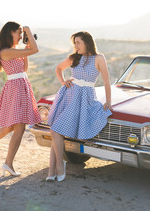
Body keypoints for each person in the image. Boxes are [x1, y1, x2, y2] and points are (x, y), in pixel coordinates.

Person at [0, 21, 41, 176]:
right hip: (16, 88)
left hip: (21, 85)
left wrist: (25, 51)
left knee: (12, 127)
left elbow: (24, 69)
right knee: (19, 127)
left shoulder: (13, 50)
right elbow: (36, 49)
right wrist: (28, 30)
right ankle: (8, 164)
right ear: (10, 33)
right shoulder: (5, 51)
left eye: (21, 32)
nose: (20, 35)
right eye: (18, 32)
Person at [46, 31, 112, 182]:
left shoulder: (99, 58)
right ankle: (53, 169)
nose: (75, 46)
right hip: (68, 95)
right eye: (74, 43)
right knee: (55, 131)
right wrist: (63, 82)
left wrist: (108, 101)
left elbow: (107, 82)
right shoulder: (74, 57)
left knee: (56, 131)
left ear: (87, 43)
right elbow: (58, 69)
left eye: (78, 42)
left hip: (84, 98)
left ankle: (56, 168)